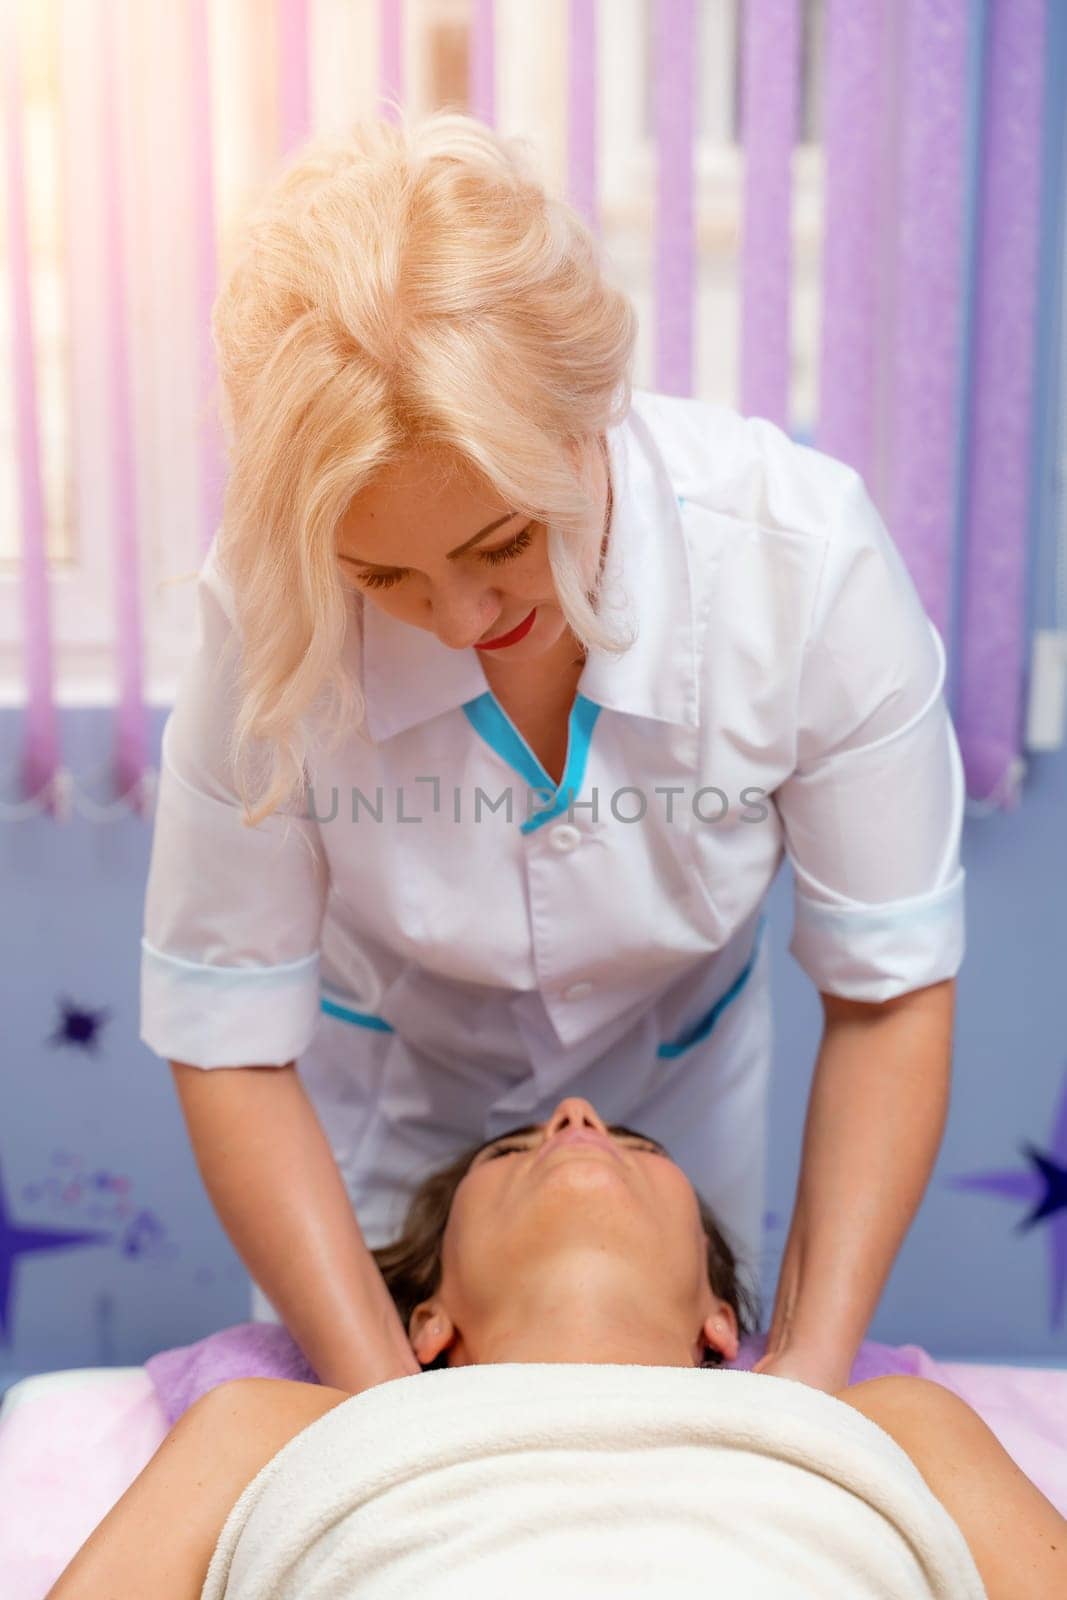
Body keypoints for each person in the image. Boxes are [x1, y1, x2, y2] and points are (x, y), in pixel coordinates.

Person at [139, 107, 966, 1401]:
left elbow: (887, 988)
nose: (463, 622)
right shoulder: (271, 612)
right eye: (387, 578)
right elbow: (227, 1032)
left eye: (501, 544)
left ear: (592, 410)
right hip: (381, 1120)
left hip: (673, 1120)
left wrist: (803, 1372)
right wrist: (377, 1408)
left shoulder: (798, 565)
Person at [44, 1098, 1065, 1598]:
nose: (571, 1113)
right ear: (426, 1323)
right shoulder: (268, 1425)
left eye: (640, 1144)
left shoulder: (885, 1421)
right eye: (506, 1149)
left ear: (723, 1321)